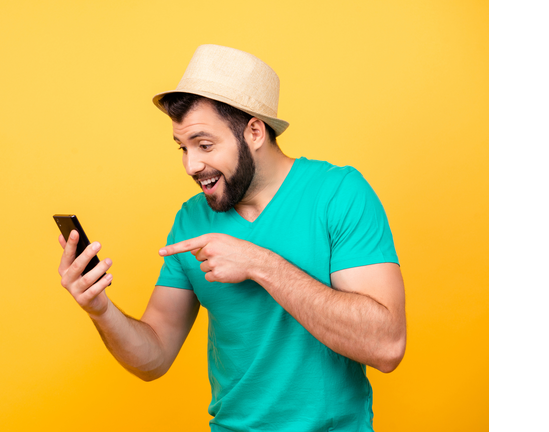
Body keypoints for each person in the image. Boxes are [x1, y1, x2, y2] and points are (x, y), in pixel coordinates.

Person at [57, 44, 406, 432]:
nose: (192, 165)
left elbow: (386, 347)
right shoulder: (191, 220)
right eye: (183, 148)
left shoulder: (339, 194)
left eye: (205, 145)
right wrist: (100, 310)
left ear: (254, 131)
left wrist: (260, 264)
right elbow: (153, 358)